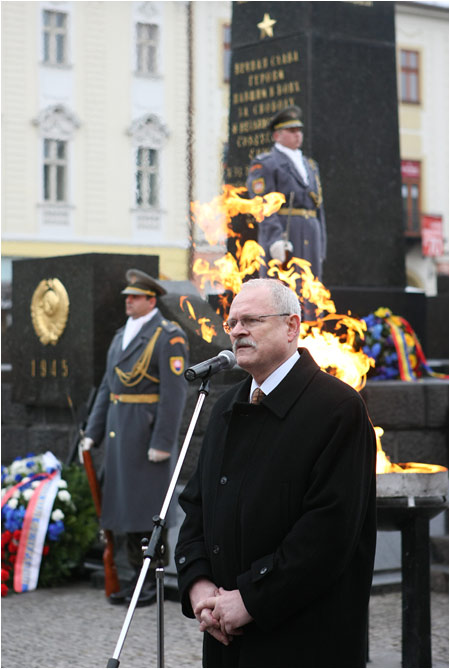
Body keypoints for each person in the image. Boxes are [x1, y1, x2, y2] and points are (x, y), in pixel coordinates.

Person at [175, 278, 376, 668]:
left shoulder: (338, 409)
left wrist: (250, 599)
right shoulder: (226, 406)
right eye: (232, 323)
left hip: (304, 641)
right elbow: (196, 507)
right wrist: (199, 588)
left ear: (291, 326)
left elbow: (328, 533)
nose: (237, 331)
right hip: (225, 637)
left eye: (251, 320)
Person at [80, 269, 188, 606]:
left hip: (145, 436)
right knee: (124, 512)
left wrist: (162, 442)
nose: (127, 301)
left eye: (134, 297)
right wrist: (92, 433)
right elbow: (108, 389)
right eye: (127, 296)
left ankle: (151, 582)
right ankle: (132, 579)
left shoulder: (168, 336)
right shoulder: (121, 335)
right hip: (118, 433)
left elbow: (174, 395)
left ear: (150, 300)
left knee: (148, 513)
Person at [246, 106, 327, 304]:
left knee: (310, 288)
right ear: (277, 135)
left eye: (299, 130)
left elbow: (318, 207)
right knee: (283, 290)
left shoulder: (310, 165)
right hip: (285, 231)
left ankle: (309, 329)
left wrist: (322, 241)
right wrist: (274, 239)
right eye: (291, 131)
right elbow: (263, 203)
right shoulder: (266, 163)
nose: (297, 135)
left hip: (310, 230)